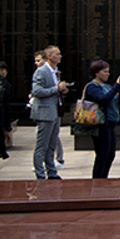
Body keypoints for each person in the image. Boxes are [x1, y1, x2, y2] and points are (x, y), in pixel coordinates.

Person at [84, 60, 120, 179]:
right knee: (102, 155)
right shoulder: (92, 87)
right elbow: (103, 100)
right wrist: (116, 86)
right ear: (96, 73)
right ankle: (97, 180)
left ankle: (103, 178)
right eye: (104, 72)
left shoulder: (108, 86)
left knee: (110, 155)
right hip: (100, 124)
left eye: (108, 71)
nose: (108, 74)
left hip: (110, 124)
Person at [31, 45, 69, 180]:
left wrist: (62, 90)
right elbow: (37, 91)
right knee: (42, 146)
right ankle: (40, 174)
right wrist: (56, 88)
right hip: (44, 113)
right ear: (49, 56)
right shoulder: (41, 72)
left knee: (52, 145)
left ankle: (52, 172)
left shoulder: (55, 71)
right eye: (57, 54)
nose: (60, 56)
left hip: (55, 111)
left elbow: (54, 91)